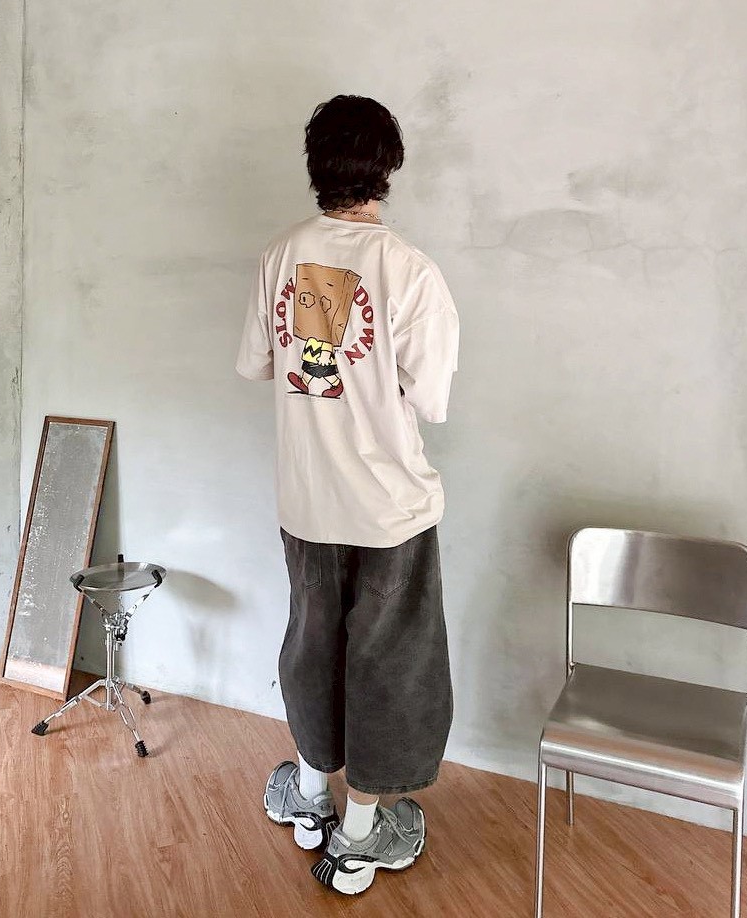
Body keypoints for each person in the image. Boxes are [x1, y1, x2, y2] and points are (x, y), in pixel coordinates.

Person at [236, 94, 459, 896]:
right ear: (386, 168)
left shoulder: (279, 256)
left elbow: (261, 363)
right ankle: (359, 837)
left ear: (316, 166)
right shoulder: (411, 271)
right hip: (389, 508)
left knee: (312, 644)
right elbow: (432, 399)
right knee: (389, 663)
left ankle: (306, 795)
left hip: (307, 501)